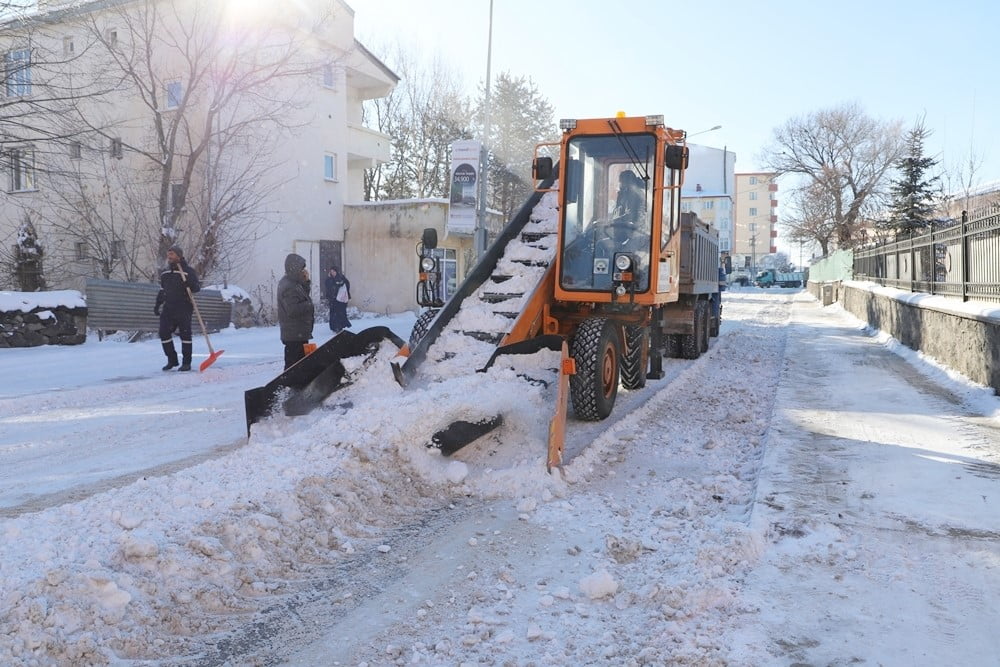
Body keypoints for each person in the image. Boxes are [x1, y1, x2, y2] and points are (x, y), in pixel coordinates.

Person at [154, 245, 200, 371]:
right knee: (164, 333)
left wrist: (188, 284)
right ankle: (172, 360)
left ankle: (186, 362)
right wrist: (158, 304)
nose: (169, 257)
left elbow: (196, 288)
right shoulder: (165, 273)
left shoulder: (188, 271)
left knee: (185, 335)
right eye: (168, 255)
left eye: (172, 255)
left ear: (179, 256)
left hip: (184, 307)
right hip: (168, 308)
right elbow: (162, 290)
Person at [277, 253, 315, 370]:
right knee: (293, 366)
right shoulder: (289, 286)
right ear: (294, 268)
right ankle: (289, 386)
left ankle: (297, 385)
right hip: (294, 334)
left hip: (298, 333)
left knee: (300, 365)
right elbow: (292, 310)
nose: (304, 271)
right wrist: (309, 304)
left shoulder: (294, 283)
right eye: (301, 268)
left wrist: (306, 282)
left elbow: (302, 297)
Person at [324, 266, 352, 333]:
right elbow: (328, 287)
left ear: (336, 272)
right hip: (333, 300)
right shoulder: (329, 279)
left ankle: (339, 327)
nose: (332, 273)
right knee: (334, 314)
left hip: (341, 301)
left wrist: (339, 284)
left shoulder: (342, 278)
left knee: (340, 314)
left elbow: (346, 285)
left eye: (334, 271)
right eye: (331, 272)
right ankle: (335, 327)